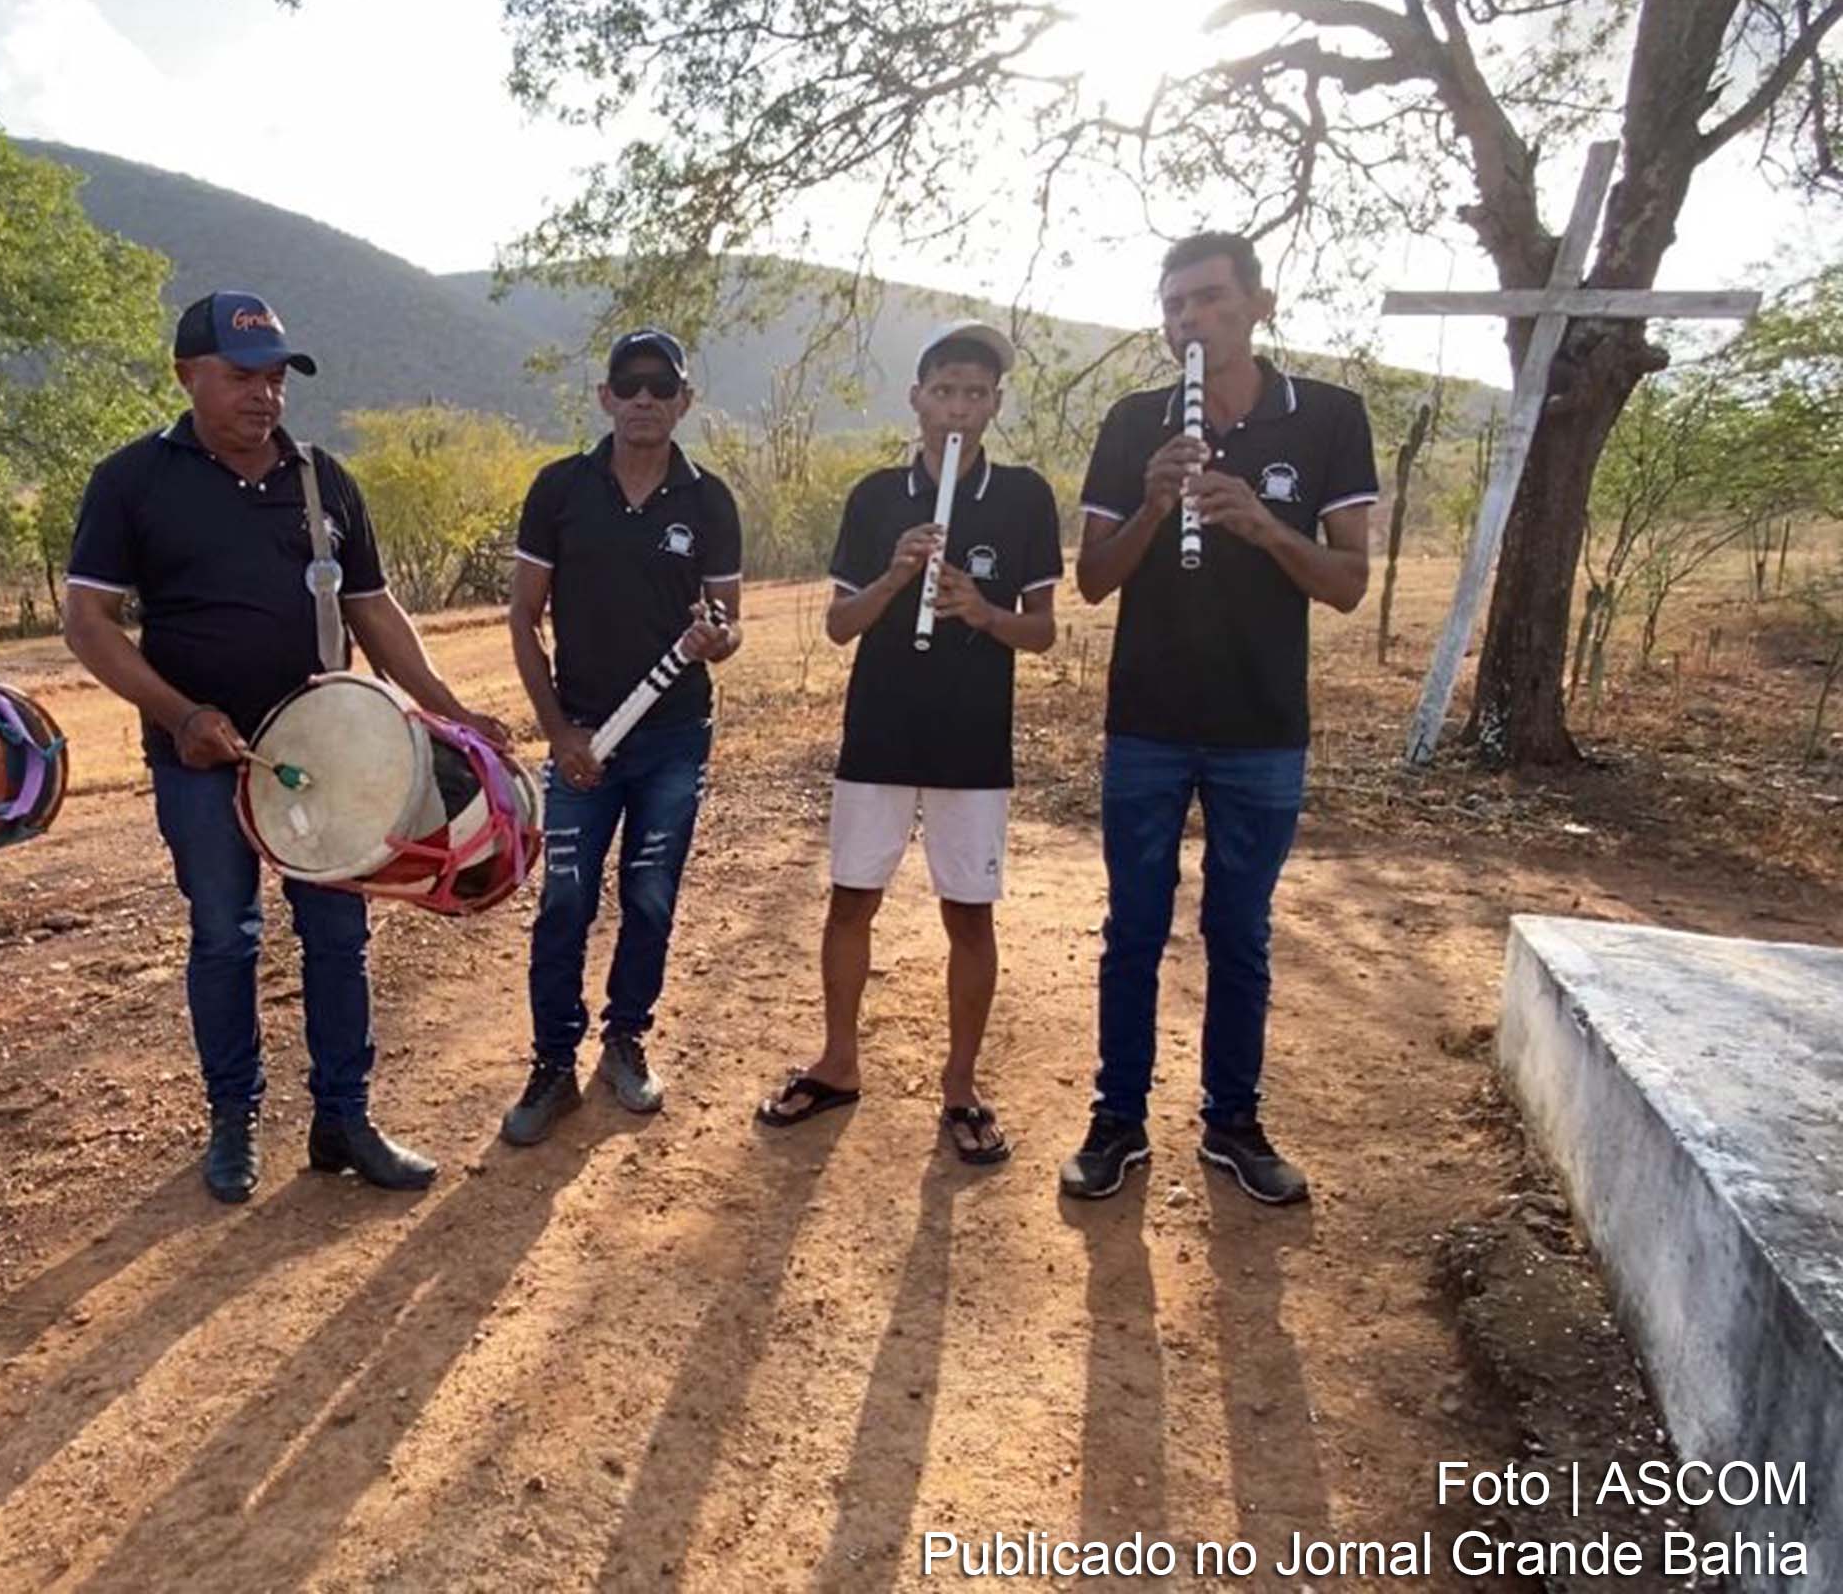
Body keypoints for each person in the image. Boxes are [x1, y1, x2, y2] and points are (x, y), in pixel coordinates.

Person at [63, 291, 509, 1203]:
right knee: (225, 937)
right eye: (241, 377)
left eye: (275, 380)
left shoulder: (322, 480)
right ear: (188, 374)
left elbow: (373, 612)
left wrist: (451, 711)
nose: (263, 397)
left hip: (332, 756)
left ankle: (344, 1120)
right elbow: (88, 624)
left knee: (338, 938)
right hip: (202, 762)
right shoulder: (131, 481)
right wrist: (179, 716)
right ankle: (234, 1121)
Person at [1058, 232, 1378, 1206]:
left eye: (1205, 300)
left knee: (1241, 930)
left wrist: (1263, 524)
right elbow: (1094, 579)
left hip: (1262, 727)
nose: (1186, 321)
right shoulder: (1134, 422)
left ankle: (1231, 1122)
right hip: (1148, 721)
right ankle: (1118, 1121)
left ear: (1258, 304)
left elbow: (1350, 585)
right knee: (1134, 930)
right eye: (1172, 307)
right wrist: (1156, 505)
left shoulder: (1326, 418)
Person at [754, 321, 1061, 1163]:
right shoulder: (875, 495)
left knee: (969, 912)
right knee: (852, 899)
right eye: (944, 391)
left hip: (971, 740)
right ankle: (839, 1062)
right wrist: (896, 575)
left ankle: (960, 1084)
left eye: (976, 393)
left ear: (995, 404)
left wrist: (982, 611)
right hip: (880, 732)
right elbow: (838, 627)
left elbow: (1042, 633)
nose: (958, 408)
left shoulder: (1026, 496)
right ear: (917, 399)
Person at [498, 329, 743, 1146]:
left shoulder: (710, 501)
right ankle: (551, 1065)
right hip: (583, 744)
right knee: (565, 899)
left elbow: (727, 621)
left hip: (674, 737)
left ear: (684, 400)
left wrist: (718, 638)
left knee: (649, 896)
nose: (644, 399)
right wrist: (558, 730)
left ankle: (626, 1041)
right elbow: (524, 618)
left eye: (660, 386)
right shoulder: (561, 489)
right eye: (628, 385)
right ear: (604, 397)